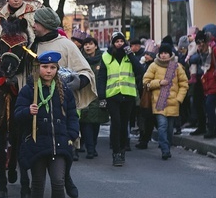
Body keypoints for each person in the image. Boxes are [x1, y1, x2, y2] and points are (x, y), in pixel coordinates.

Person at [14, 51, 79, 198]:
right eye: (45, 67)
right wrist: (27, 111)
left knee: (58, 182)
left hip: (59, 143)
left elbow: (73, 115)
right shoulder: (29, 90)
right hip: (37, 143)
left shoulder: (64, 90)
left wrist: (72, 135)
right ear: (38, 68)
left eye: (52, 68)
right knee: (38, 185)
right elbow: (17, 115)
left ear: (57, 69)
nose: (48, 71)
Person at [30, 7, 95, 195]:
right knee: (42, 146)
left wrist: (74, 83)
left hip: (62, 106)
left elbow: (85, 73)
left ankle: (65, 179)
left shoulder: (66, 45)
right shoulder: (33, 46)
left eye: (36, 22)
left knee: (64, 146)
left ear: (45, 25)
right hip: (39, 106)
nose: (33, 26)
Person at [98, 31, 146, 166]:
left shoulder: (130, 56)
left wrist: (130, 54)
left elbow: (140, 71)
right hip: (112, 94)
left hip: (128, 94)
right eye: (116, 41)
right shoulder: (106, 56)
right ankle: (116, 152)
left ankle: (123, 149)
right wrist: (101, 97)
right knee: (116, 122)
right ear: (113, 43)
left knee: (124, 125)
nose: (119, 44)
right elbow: (101, 77)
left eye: (121, 41)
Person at [142, 43, 189, 159]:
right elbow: (146, 82)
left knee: (169, 129)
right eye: (161, 53)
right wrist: (158, 83)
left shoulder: (176, 66)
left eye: (165, 53)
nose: (163, 55)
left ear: (170, 54)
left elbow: (184, 84)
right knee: (162, 126)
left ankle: (166, 145)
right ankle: (165, 150)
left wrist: (179, 99)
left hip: (173, 102)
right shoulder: (153, 66)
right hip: (159, 101)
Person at [79, 37, 108, 159]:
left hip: (99, 95)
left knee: (96, 123)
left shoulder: (103, 60)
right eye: (85, 44)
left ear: (96, 46)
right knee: (86, 123)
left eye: (90, 44)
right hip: (84, 94)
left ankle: (92, 146)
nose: (88, 46)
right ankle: (90, 149)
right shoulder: (79, 59)